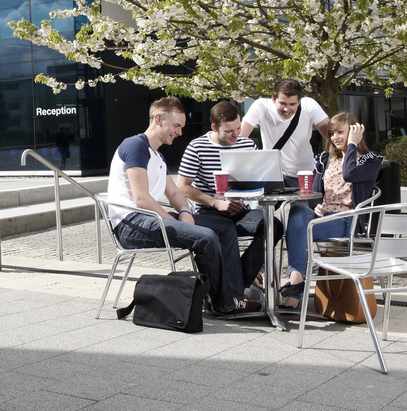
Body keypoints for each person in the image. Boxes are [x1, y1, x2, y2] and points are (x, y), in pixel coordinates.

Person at [106, 96, 260, 315]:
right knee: (205, 237)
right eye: (176, 126)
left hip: (149, 218)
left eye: (181, 127)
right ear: (158, 119)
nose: (179, 132)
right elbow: (142, 199)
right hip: (131, 225)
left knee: (224, 228)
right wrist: (174, 221)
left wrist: (185, 212)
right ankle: (223, 303)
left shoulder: (156, 155)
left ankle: (232, 297)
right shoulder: (135, 146)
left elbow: (175, 193)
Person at [177, 101, 283, 296]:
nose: (236, 135)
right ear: (214, 128)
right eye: (229, 131)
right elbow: (182, 186)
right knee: (227, 232)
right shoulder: (197, 147)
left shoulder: (247, 144)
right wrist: (216, 202)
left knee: (273, 225)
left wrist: (248, 197)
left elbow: (255, 182)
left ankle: (239, 282)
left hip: (241, 210)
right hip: (209, 212)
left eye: (238, 128)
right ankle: (232, 288)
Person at [279, 112, 383, 308]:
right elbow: (315, 194)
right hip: (323, 218)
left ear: (355, 132)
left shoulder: (370, 160)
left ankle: (295, 291)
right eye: (332, 133)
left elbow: (350, 173)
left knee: (299, 229)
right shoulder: (325, 159)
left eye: (341, 132)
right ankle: (297, 277)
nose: (335, 137)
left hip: (349, 220)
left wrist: (352, 145)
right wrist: (316, 206)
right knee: (298, 212)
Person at [240, 78, 330, 187]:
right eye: (283, 103)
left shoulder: (309, 106)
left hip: (304, 174)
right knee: (260, 204)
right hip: (272, 174)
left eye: (292, 104)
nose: (287, 109)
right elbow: (240, 139)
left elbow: (332, 136)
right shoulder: (261, 106)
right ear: (273, 99)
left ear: (299, 102)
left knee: (302, 205)